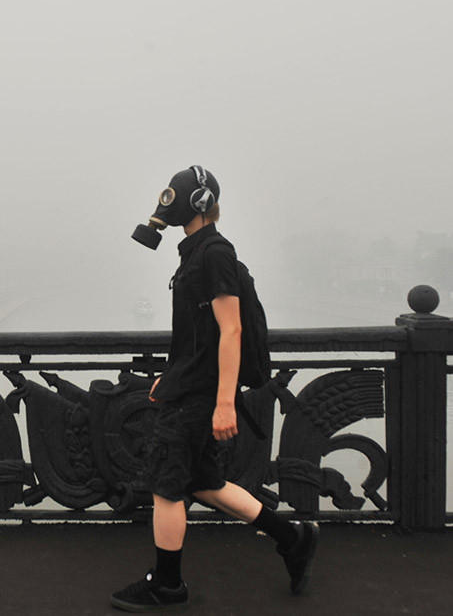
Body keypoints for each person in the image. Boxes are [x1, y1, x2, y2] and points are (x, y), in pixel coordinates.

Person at [115, 166, 318, 612]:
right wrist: (171, 376)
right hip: (189, 386)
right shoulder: (195, 253)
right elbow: (198, 334)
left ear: (200, 204)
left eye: (175, 198)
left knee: (167, 486)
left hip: (200, 396)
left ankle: (167, 585)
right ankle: (293, 539)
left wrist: (225, 403)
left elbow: (232, 330)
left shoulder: (215, 254)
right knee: (204, 482)